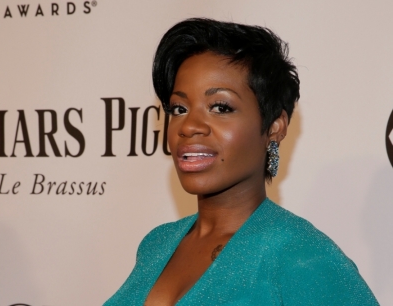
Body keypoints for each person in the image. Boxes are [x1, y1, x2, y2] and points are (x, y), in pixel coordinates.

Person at [104, 18, 379, 305]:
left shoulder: (303, 258)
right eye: (179, 108)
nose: (189, 126)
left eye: (220, 107)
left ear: (275, 127)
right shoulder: (156, 245)